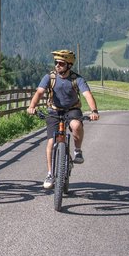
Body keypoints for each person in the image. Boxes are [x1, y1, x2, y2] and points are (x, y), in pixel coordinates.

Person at [26, 49, 100, 189]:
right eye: (56, 63)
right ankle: (50, 174)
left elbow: (87, 94)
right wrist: (32, 106)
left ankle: (77, 150)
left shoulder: (77, 79)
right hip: (54, 110)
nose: (57, 65)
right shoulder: (49, 77)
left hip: (72, 109)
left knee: (77, 125)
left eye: (61, 63)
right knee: (50, 142)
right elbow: (39, 93)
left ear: (69, 65)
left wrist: (94, 111)